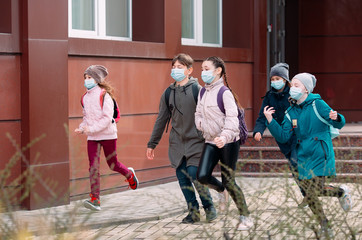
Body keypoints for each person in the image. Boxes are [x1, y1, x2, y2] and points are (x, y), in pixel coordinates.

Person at [263, 72, 352, 239]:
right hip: (303, 155)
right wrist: (270, 120)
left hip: (320, 152)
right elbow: (283, 136)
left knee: (312, 191)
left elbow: (338, 121)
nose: (293, 89)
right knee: (309, 191)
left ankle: (325, 225)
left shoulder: (318, 104)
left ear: (306, 89)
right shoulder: (291, 111)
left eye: (297, 85)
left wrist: (337, 117)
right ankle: (339, 194)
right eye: (292, 86)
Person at [146, 54, 217, 224]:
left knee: (194, 173)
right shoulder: (168, 93)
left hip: (197, 140)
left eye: (180, 67)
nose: (176, 70)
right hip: (177, 143)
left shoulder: (198, 90)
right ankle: (193, 212)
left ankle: (209, 206)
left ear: (190, 70)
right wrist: (152, 143)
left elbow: (211, 115)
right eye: (174, 67)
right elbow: (161, 119)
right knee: (182, 176)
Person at [195, 56, 253, 231]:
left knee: (229, 181)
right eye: (202, 69)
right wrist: (201, 126)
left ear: (218, 70)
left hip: (228, 142)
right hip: (210, 140)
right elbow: (198, 113)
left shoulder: (224, 93)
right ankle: (221, 191)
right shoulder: (202, 92)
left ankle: (245, 217)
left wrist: (225, 137)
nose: (203, 72)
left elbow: (232, 119)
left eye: (206, 69)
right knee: (202, 176)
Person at [75, 65, 139, 211]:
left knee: (112, 164)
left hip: (108, 135)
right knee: (93, 167)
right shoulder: (84, 97)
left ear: (97, 79)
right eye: (85, 77)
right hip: (92, 137)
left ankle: (129, 174)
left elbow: (106, 119)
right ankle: (95, 199)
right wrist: (82, 127)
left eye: (89, 77)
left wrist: (90, 129)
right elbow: (86, 117)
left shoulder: (104, 95)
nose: (87, 80)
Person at [253, 63, 306, 207]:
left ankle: (311, 192)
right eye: (272, 79)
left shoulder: (293, 93)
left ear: (284, 79)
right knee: (294, 168)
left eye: (277, 78)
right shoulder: (270, 96)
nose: (274, 81)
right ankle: (307, 194)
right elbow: (262, 116)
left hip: (297, 136)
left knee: (296, 162)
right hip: (282, 138)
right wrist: (258, 131)